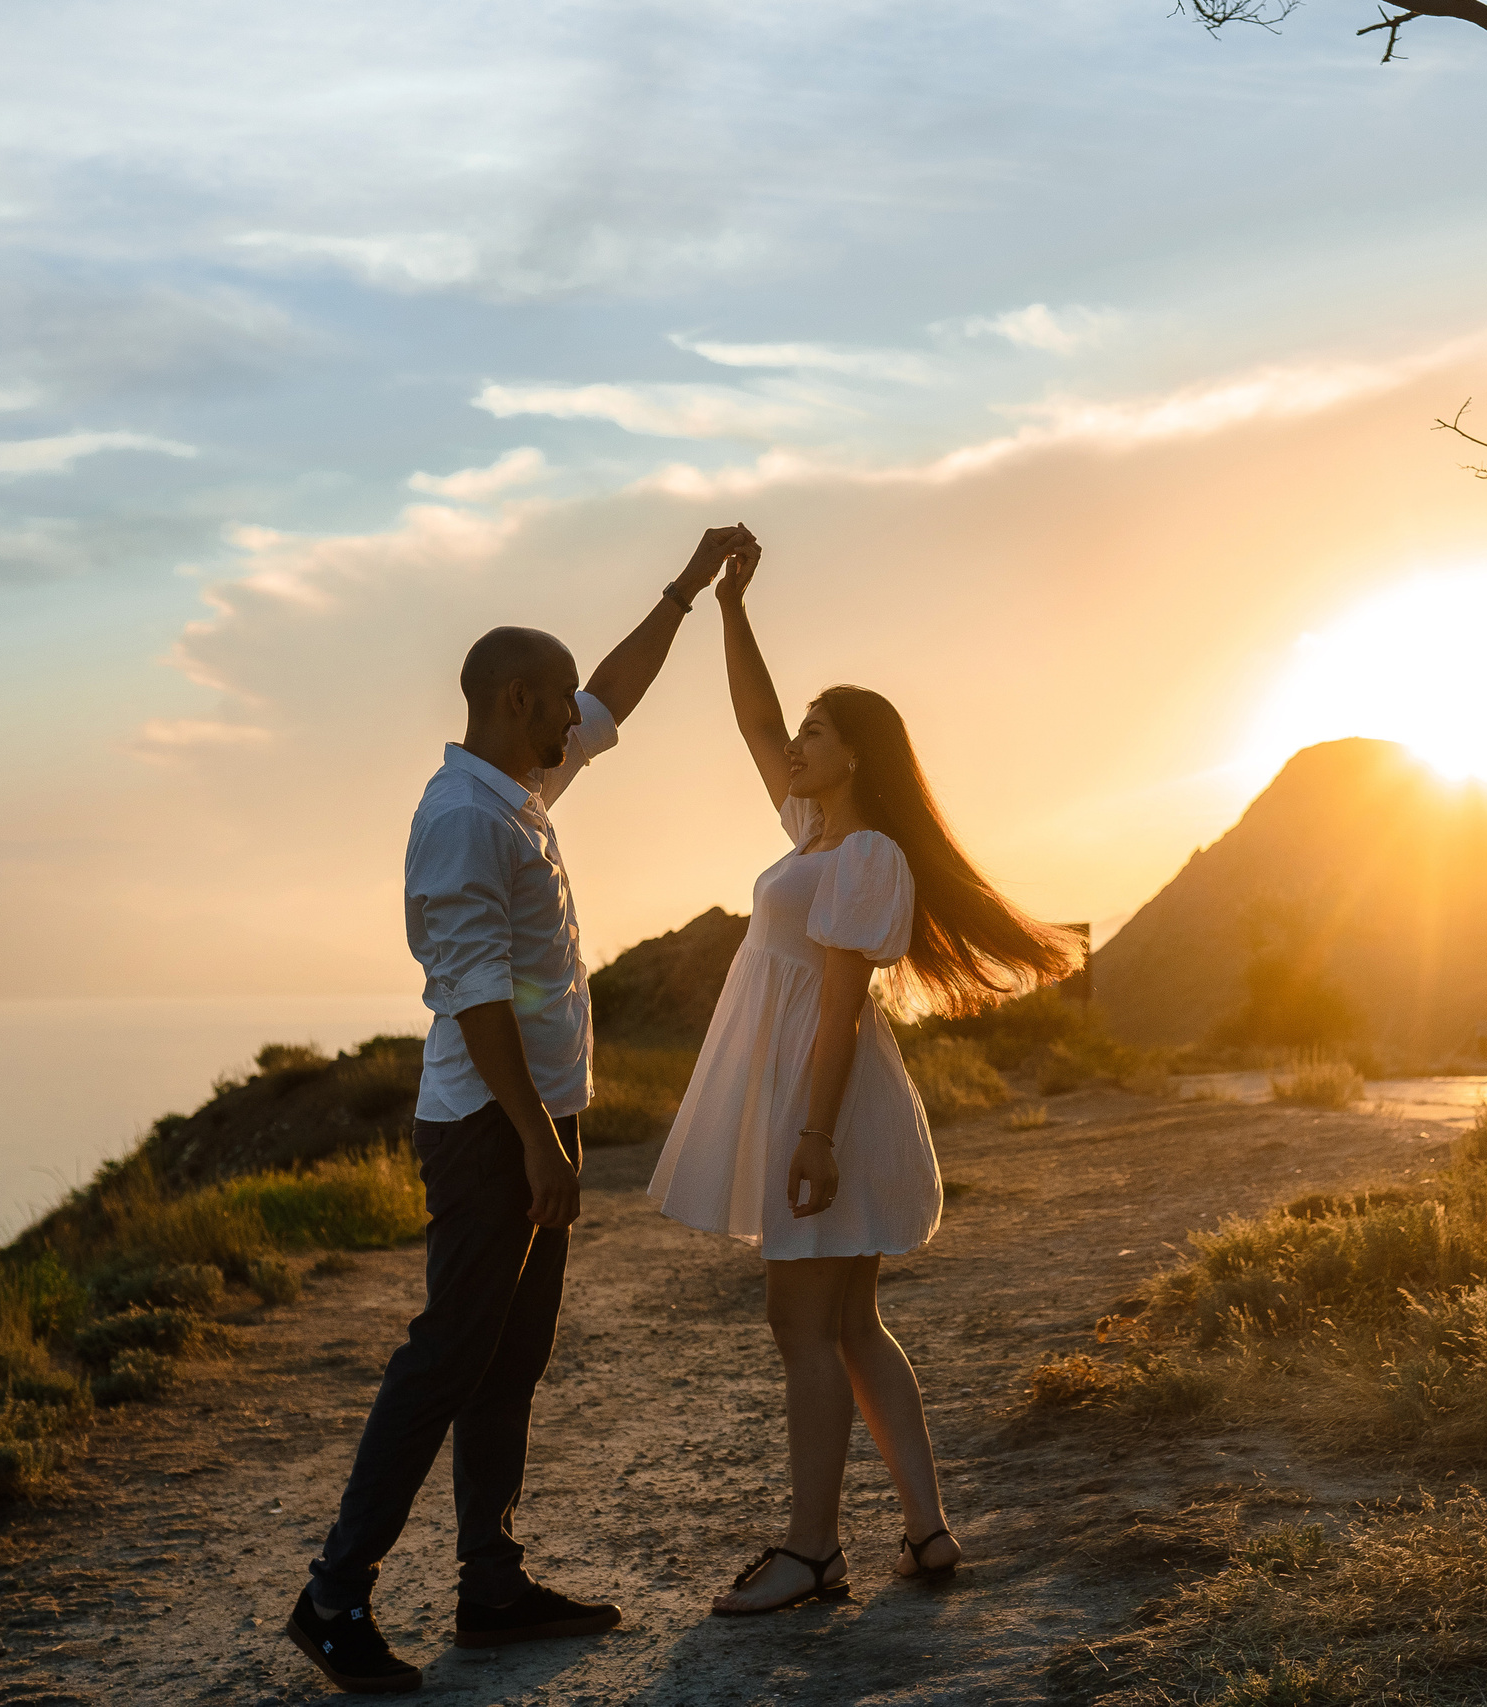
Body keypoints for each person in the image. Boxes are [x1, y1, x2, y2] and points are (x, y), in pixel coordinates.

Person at [285, 526, 752, 1695]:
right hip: (492, 1131)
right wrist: (541, 1145)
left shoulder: (521, 786)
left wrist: (685, 589)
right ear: (513, 700)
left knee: (508, 1360)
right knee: (446, 1357)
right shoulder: (465, 820)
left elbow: (615, 695)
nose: (577, 716)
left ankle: (491, 1588)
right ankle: (332, 1598)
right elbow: (477, 995)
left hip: (534, 1122)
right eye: (559, 698)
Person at [648, 531, 1082, 1615]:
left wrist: (812, 1135)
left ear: (858, 755)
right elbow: (754, 722)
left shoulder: (866, 855)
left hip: (826, 1103)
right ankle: (926, 1532)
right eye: (802, 728)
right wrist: (730, 607)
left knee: (804, 1326)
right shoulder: (813, 836)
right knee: (847, 1326)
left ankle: (811, 1553)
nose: (794, 741)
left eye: (817, 730)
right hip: (817, 1100)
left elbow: (841, 1010)